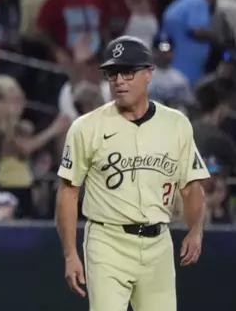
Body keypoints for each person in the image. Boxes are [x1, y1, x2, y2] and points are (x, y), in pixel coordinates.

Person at [55, 36, 208, 311]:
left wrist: (196, 231)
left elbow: (191, 186)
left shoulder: (176, 124)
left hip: (158, 243)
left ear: (149, 74)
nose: (119, 81)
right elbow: (68, 191)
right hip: (107, 241)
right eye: (113, 73)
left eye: (128, 72)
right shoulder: (86, 127)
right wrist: (70, 254)